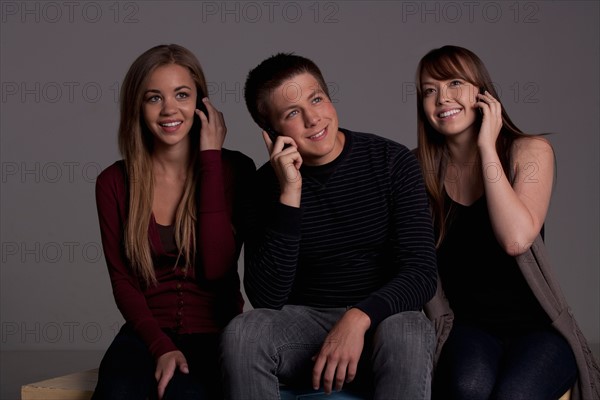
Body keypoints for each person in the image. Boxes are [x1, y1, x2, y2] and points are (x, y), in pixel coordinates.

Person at [220, 53, 438, 400]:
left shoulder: (392, 162)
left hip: (382, 322)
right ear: (272, 132)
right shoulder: (262, 188)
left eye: (316, 99)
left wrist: (358, 317)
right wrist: (290, 192)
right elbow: (267, 298)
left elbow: (422, 273)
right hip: (305, 329)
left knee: (408, 329)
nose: (312, 118)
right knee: (243, 332)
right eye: (292, 113)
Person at [416, 45, 600, 400]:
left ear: (482, 93)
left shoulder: (529, 151)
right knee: (467, 388)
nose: (442, 98)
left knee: (515, 395)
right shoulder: (418, 172)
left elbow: (516, 239)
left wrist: (487, 147)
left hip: (538, 328)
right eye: (429, 90)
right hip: (468, 328)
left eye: (455, 82)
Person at [92, 44, 255, 400]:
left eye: (182, 94)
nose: (169, 109)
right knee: (117, 392)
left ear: (200, 102)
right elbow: (122, 280)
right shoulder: (113, 182)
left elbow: (216, 268)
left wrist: (210, 158)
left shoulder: (235, 170)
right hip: (145, 334)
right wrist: (160, 346)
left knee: (186, 396)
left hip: (218, 335)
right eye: (154, 97)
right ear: (138, 106)